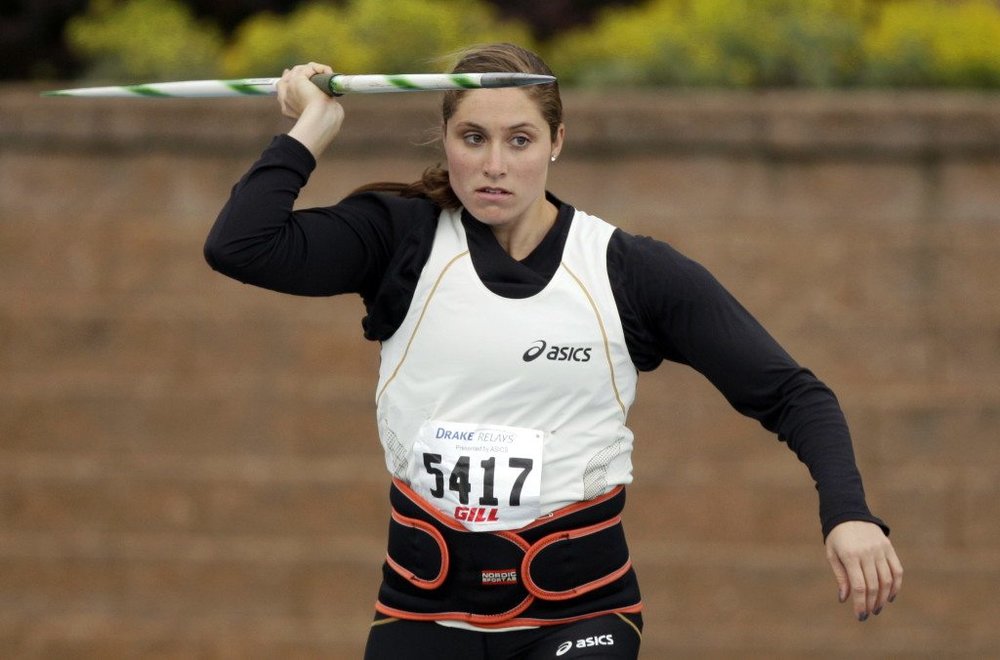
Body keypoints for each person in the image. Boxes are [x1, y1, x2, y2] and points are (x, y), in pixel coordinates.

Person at [204, 43, 902, 660]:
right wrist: (309, 130)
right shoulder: (400, 240)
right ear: (444, 140)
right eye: (472, 138)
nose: (494, 165)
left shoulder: (626, 270)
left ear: (556, 142)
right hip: (423, 610)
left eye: (519, 139)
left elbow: (794, 394)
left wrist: (849, 512)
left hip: (580, 615)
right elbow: (240, 246)